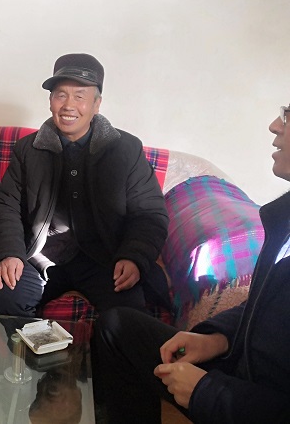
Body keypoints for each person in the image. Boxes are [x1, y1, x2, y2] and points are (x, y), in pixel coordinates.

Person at [93, 105, 290, 423]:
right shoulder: (284, 220)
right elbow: (264, 305)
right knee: (116, 327)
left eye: (288, 115)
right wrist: (216, 338)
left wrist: (207, 393)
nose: (274, 125)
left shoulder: (126, 150)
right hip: (241, 366)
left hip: (250, 400)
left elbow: (147, 216)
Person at [0, 53, 170, 317]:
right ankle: (38, 346)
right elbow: (5, 206)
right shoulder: (28, 150)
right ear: (50, 101)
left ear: (96, 104)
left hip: (103, 258)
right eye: (61, 95)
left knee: (126, 312)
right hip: (39, 257)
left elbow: (149, 212)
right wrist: (9, 253)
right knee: (5, 295)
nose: (69, 105)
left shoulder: (125, 150)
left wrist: (133, 257)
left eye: (80, 96)